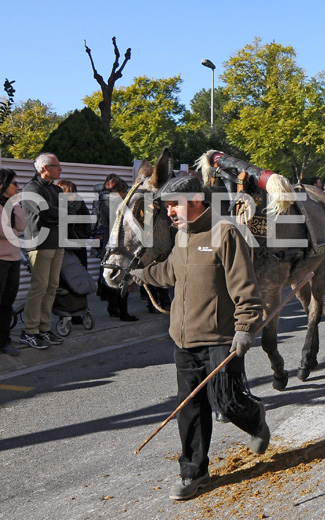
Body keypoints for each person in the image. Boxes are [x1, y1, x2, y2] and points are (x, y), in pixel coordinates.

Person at [131, 175, 270, 501]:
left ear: (196, 201)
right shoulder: (181, 237)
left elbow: (246, 288)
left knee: (227, 402)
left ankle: (255, 418)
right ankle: (194, 471)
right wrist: (142, 274)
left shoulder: (224, 233)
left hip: (221, 338)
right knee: (190, 407)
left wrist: (245, 328)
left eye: (173, 206)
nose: (169, 214)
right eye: (166, 207)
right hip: (184, 340)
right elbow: (170, 272)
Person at [19, 152, 65, 349]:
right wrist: (61, 213)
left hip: (57, 242)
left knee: (52, 286)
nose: (60, 169)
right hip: (39, 244)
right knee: (39, 287)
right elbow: (46, 213)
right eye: (56, 165)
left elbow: (64, 212)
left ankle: (44, 328)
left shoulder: (55, 190)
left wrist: (61, 213)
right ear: (44, 168)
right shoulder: (31, 189)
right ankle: (30, 330)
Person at [96, 175, 138, 322]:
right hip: (116, 244)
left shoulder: (103, 200)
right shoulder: (113, 203)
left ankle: (114, 308)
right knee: (121, 278)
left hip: (109, 243)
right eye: (124, 191)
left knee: (112, 278)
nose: (126, 195)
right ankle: (122, 312)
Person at [0, 169, 23, 356]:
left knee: (8, 303)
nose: (18, 186)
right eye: (14, 183)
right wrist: (12, 231)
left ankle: (4, 340)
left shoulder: (13, 205)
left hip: (14, 259)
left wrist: (15, 205)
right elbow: (3, 232)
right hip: (0, 260)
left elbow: (21, 226)